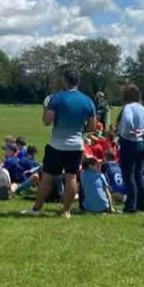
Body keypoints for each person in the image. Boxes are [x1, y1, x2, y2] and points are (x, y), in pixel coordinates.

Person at [21, 68, 96, 219]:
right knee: (72, 177)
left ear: (65, 81)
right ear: (78, 82)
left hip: (57, 144)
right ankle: (65, 211)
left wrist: (45, 108)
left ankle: (36, 208)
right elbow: (92, 127)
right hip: (76, 145)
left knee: (47, 177)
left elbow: (47, 121)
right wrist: (79, 130)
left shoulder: (57, 98)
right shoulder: (88, 101)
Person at [114, 84, 144, 215]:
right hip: (141, 143)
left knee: (128, 175)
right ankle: (141, 204)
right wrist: (141, 132)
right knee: (138, 174)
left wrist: (127, 131)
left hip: (129, 143)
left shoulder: (128, 107)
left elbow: (126, 120)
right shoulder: (143, 109)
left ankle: (131, 205)